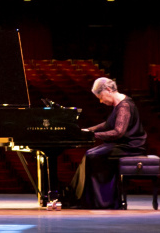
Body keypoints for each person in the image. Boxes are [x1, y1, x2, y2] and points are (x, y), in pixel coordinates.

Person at [62, 77, 147, 209]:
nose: (101, 101)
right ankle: (81, 197)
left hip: (130, 147)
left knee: (92, 156)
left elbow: (118, 132)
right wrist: (87, 130)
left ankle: (101, 201)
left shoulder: (124, 106)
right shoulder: (119, 105)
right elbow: (107, 124)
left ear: (108, 90)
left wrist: (92, 135)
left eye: (100, 97)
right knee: (90, 153)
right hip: (121, 145)